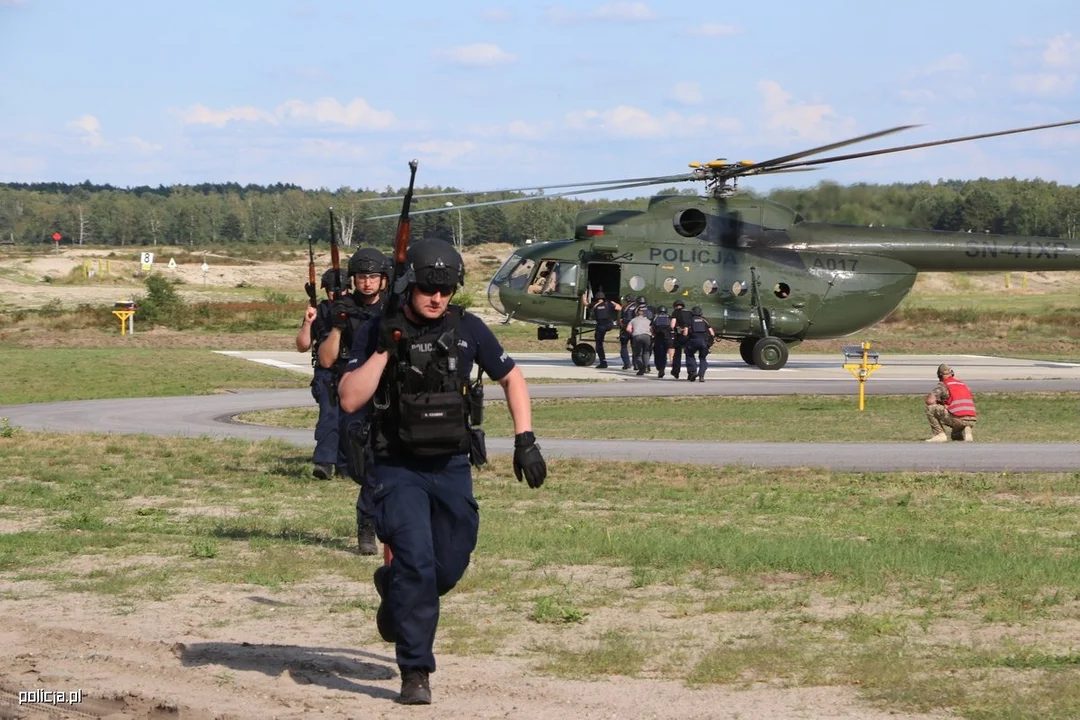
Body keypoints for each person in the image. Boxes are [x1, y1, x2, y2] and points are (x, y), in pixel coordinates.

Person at [338, 238, 548, 706]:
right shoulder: (379, 328)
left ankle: (394, 591)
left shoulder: (469, 328)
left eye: (447, 290)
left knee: (448, 565)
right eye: (429, 289)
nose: (437, 298)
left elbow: (511, 376)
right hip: (396, 466)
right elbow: (350, 399)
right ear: (411, 284)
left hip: (452, 465)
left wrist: (525, 439)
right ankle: (415, 670)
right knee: (415, 561)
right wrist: (383, 349)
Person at [318, 247, 389, 555]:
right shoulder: (342, 309)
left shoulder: (394, 308)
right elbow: (325, 359)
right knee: (358, 466)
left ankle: (369, 526)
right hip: (351, 393)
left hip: (387, 395)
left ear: (384, 280)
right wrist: (335, 327)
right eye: (362, 277)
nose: (368, 283)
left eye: (373, 277)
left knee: (378, 465)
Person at [296, 268, 349, 480]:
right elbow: (302, 345)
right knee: (329, 416)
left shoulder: (354, 309)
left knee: (351, 421)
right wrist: (308, 322)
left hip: (350, 370)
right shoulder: (319, 311)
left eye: (342, 290)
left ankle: (348, 466)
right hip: (327, 373)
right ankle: (325, 463)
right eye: (332, 291)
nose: (337, 295)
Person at [924, 363, 977, 442]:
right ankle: (966, 430)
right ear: (952, 373)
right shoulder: (963, 384)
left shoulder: (944, 385)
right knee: (955, 436)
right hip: (972, 419)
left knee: (930, 409)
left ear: (939, 375)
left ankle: (939, 434)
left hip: (958, 418)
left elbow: (930, 401)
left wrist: (939, 402)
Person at [588, 291, 621, 369]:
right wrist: (613, 302)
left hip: (601, 326)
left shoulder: (594, 305)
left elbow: (585, 304)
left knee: (599, 344)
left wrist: (582, 295)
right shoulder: (608, 303)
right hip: (609, 325)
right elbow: (619, 307)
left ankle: (603, 362)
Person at [682, 306, 715, 382]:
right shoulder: (705, 320)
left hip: (693, 341)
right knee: (703, 358)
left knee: (689, 355)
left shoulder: (689, 320)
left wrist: (684, 340)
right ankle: (701, 376)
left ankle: (693, 371)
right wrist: (709, 342)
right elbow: (712, 333)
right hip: (704, 342)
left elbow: (685, 333)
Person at [626, 305, 653, 376]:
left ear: (636, 313)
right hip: (647, 336)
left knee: (638, 354)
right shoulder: (648, 320)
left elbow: (628, 329)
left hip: (637, 336)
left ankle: (641, 369)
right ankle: (646, 367)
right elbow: (651, 329)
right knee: (646, 352)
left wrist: (633, 333)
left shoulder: (633, 320)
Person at [669, 299, 691, 379]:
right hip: (688, 336)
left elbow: (672, 325)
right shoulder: (689, 312)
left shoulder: (675, 312)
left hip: (679, 335)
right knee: (689, 354)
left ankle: (676, 371)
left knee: (677, 354)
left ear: (675, 306)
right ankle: (691, 372)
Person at [651, 305, 672, 378]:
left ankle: (659, 367)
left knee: (657, 354)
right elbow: (672, 327)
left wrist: (652, 335)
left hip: (658, 338)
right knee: (664, 354)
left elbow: (651, 327)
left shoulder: (655, 317)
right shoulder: (669, 317)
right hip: (667, 338)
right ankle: (662, 368)